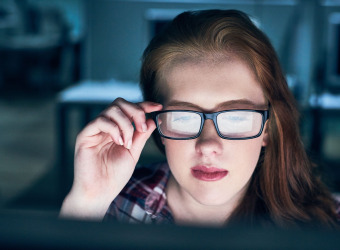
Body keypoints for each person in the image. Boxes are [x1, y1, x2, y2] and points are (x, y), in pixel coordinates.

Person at [60, 9, 339, 227]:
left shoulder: (326, 224)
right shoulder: (114, 208)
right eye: (183, 117)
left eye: (236, 118)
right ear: (156, 123)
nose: (207, 145)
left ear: (267, 128)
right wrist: (87, 201)